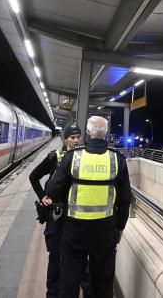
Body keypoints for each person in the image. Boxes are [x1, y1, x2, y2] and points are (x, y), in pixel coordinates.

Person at [45, 116, 132, 298]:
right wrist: (120, 228)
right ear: (106, 134)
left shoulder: (72, 157)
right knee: (102, 281)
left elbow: (52, 191)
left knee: (69, 280)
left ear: (88, 134)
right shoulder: (117, 159)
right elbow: (125, 199)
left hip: (74, 229)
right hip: (105, 231)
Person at [29, 124, 87, 298]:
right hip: (57, 213)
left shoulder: (84, 158)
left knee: (75, 256)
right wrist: (43, 196)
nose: (76, 141)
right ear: (65, 139)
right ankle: (52, 293)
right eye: (72, 137)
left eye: (78, 137)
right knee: (55, 255)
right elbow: (34, 176)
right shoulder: (55, 156)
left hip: (75, 214)